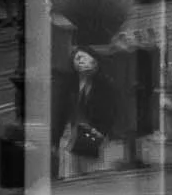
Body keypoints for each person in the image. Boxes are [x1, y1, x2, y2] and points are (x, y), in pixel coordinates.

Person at [52, 45, 123, 177]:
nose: (81, 61)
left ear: (95, 62)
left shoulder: (105, 85)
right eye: (77, 58)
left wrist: (102, 132)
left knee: (93, 175)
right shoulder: (68, 85)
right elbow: (60, 113)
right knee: (70, 177)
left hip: (94, 136)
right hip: (70, 138)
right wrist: (55, 141)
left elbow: (111, 111)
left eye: (85, 58)